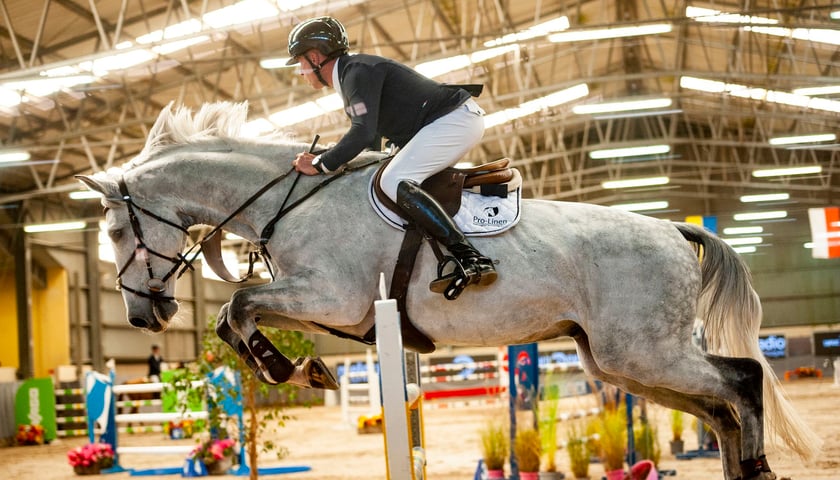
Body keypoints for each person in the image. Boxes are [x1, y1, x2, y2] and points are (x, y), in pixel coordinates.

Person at [287, 16, 497, 298]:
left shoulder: (356, 73)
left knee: (394, 180)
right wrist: (326, 155)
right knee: (383, 175)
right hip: (446, 121)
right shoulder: (352, 74)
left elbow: (362, 135)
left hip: (454, 121)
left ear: (315, 57)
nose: (301, 71)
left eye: (300, 62)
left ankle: (471, 258)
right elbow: (371, 143)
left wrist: (320, 164)